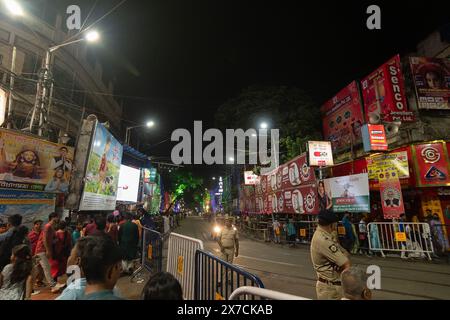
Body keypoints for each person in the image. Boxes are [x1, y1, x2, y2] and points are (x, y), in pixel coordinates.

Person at [310, 210, 351, 300]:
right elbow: (346, 263)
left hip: (331, 286)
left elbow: (345, 253)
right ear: (331, 224)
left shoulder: (325, 235)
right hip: (330, 289)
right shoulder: (323, 240)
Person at [35, 212, 64, 292]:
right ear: (53, 218)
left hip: (41, 250)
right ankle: (53, 285)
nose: (58, 219)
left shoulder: (51, 227)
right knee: (47, 267)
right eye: (57, 217)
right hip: (42, 250)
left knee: (37, 270)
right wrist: (48, 250)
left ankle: (28, 285)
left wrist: (55, 240)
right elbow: (44, 239)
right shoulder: (47, 226)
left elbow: (50, 239)